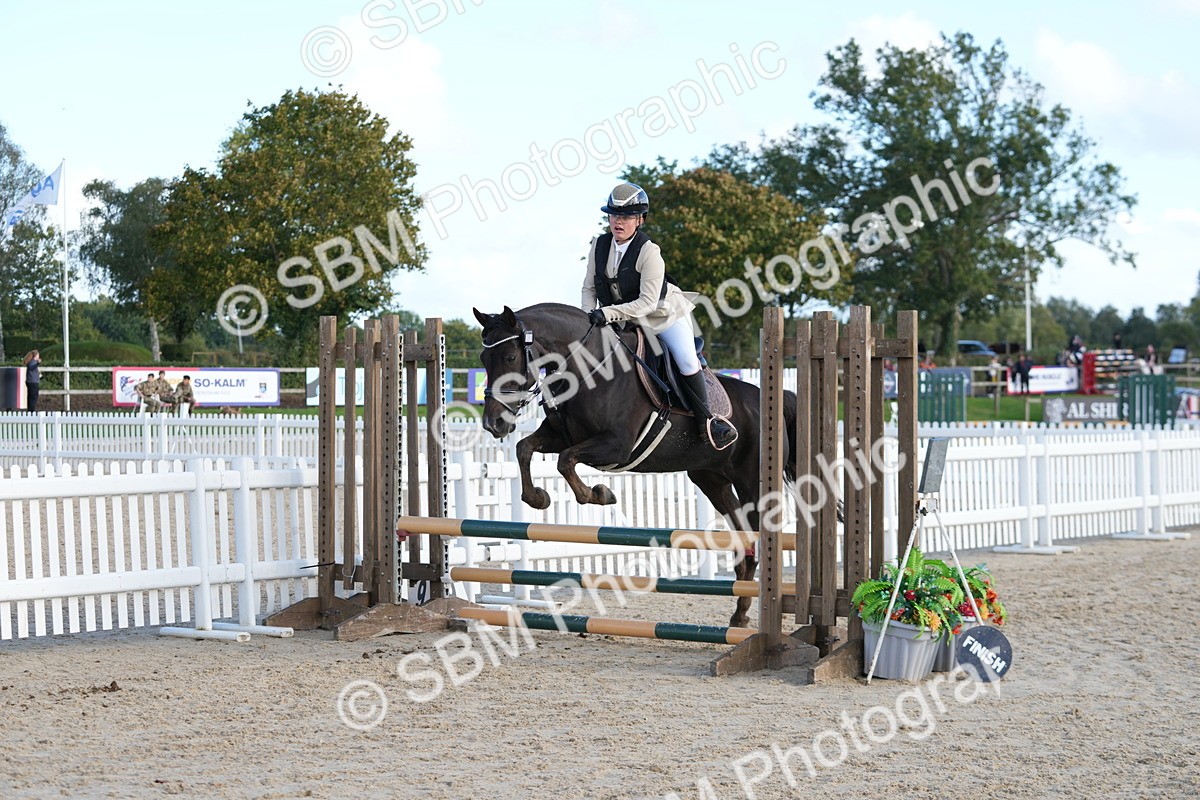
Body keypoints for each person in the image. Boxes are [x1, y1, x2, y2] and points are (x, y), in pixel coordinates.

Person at [581, 182, 736, 450]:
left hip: (662, 316)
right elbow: (589, 288)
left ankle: (707, 421)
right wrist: (587, 319)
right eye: (614, 216)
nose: (618, 222)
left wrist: (605, 313)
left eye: (626, 217)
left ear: (639, 220)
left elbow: (647, 303)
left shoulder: (649, 251)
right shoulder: (599, 245)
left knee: (686, 360)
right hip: (621, 318)